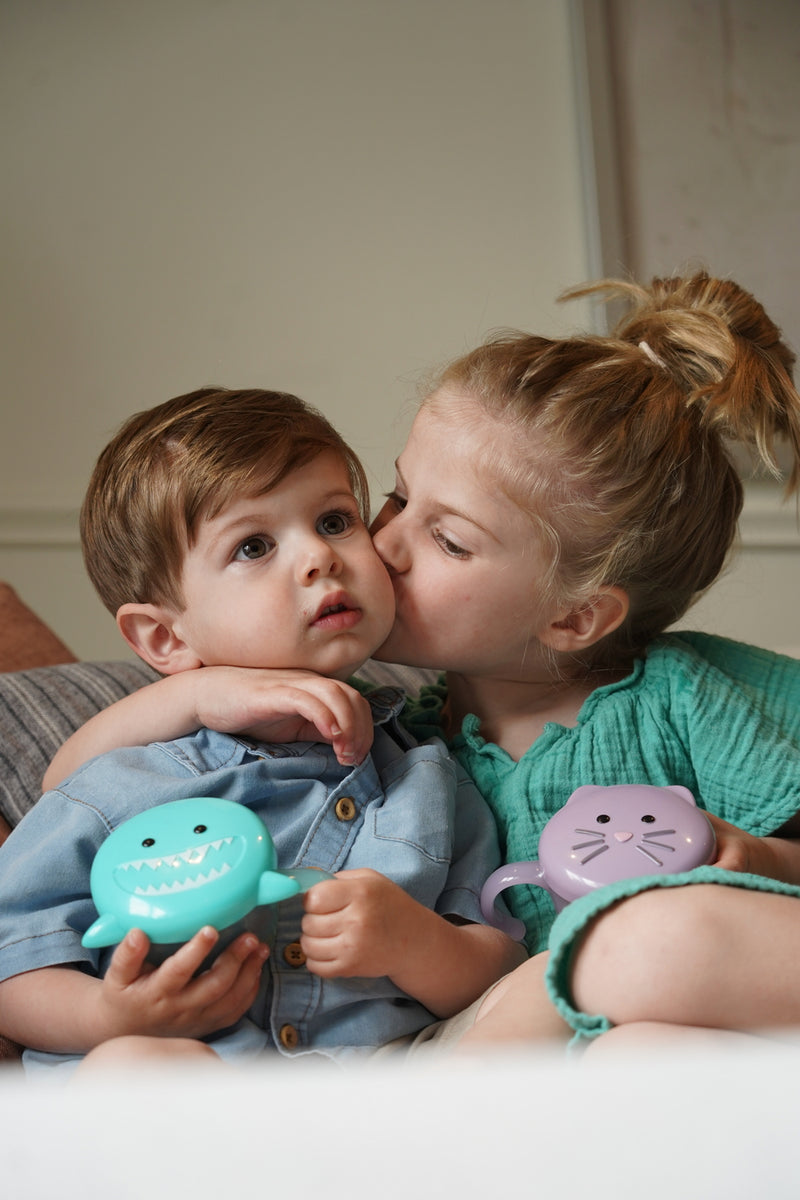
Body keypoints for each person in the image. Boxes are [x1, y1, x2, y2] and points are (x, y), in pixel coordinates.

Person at [43, 271, 800, 1051]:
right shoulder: (385, 733)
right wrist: (207, 693)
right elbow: (69, 781)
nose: (380, 545)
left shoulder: (684, 698)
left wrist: (757, 856)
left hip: (686, 976)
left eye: (448, 539)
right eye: (398, 499)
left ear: (574, 614)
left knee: (645, 949)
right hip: (538, 1047)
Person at [0, 387, 523, 1075]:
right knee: (129, 1068)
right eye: (253, 545)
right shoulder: (127, 779)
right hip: (200, 1086)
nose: (319, 557)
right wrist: (108, 1015)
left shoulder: (430, 773)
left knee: (538, 999)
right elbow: (13, 956)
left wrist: (416, 943)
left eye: (335, 520)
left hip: (376, 1089)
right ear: (164, 635)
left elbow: (497, 960)